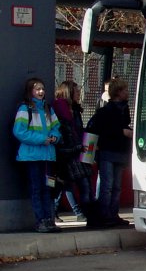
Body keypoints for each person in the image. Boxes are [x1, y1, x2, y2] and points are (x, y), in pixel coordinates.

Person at [12, 77, 62, 233]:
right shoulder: (24, 108)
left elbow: (56, 128)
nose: (41, 91)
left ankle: (48, 219)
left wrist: (55, 137)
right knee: (37, 188)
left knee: (48, 188)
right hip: (32, 157)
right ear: (30, 91)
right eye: (37, 89)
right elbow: (19, 131)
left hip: (47, 155)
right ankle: (41, 220)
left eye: (42, 88)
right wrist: (42, 139)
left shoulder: (48, 108)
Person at [88, 77, 132, 227]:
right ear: (118, 92)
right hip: (109, 151)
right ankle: (105, 214)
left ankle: (112, 214)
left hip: (116, 151)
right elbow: (103, 130)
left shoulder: (123, 109)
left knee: (114, 185)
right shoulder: (106, 111)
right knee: (108, 185)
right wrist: (123, 132)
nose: (128, 92)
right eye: (125, 90)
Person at [52, 80, 89, 222]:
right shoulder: (62, 108)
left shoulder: (74, 109)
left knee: (66, 183)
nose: (79, 93)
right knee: (65, 182)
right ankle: (78, 212)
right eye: (77, 91)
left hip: (74, 149)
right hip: (68, 151)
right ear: (69, 92)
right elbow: (68, 131)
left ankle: (76, 212)